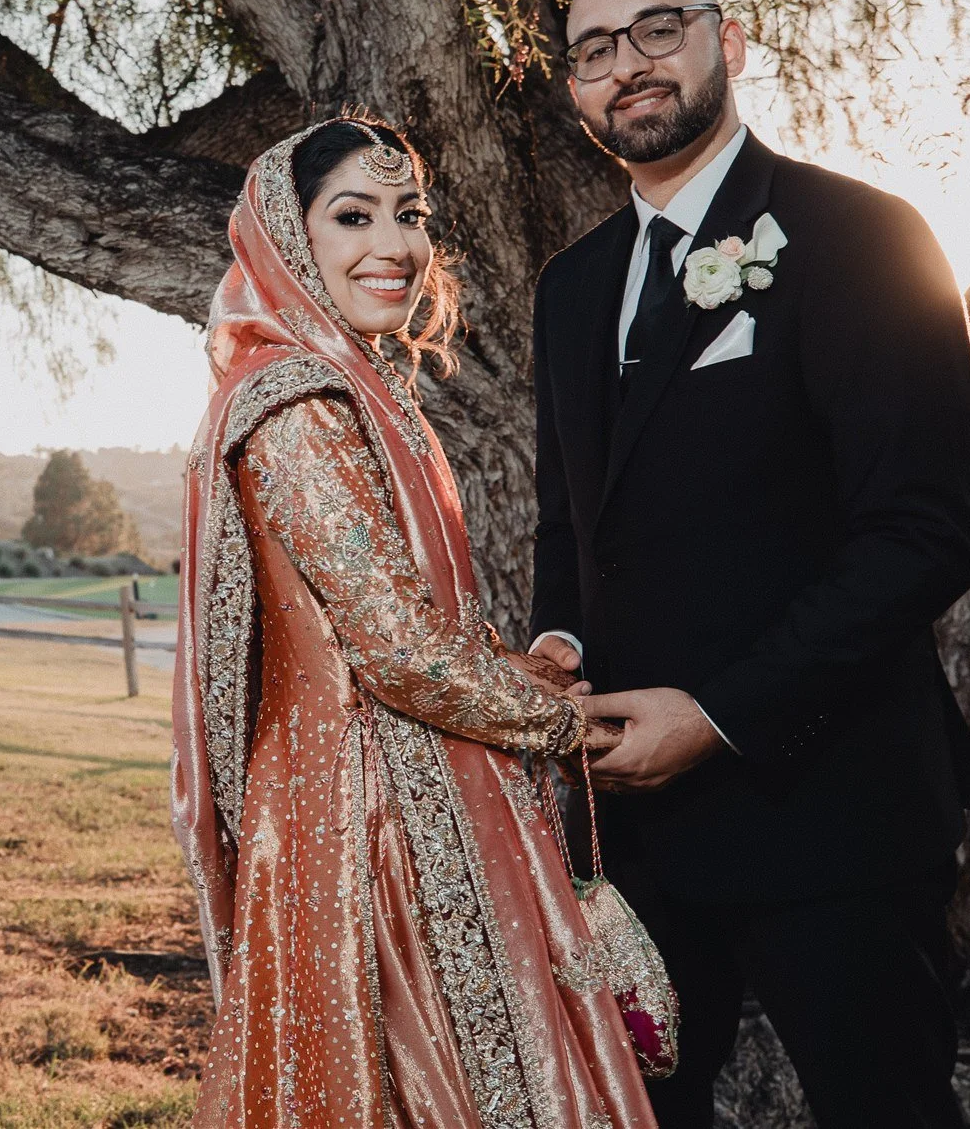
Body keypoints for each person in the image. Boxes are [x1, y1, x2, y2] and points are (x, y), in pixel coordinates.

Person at [526, 0, 970, 1129]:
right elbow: (566, 519)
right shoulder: (569, 286)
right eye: (592, 50)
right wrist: (554, 644)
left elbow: (923, 532)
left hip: (828, 805)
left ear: (724, 40)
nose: (626, 65)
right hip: (631, 825)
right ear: (573, 90)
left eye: (655, 30)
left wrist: (720, 713)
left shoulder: (859, 234)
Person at [174, 118, 660, 1128]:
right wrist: (570, 725)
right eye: (351, 216)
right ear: (285, 236)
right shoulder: (299, 403)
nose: (391, 246)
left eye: (409, 217)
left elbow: (422, 626)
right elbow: (396, 650)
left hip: (414, 784)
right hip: (370, 822)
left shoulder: (364, 388)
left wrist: (531, 679)